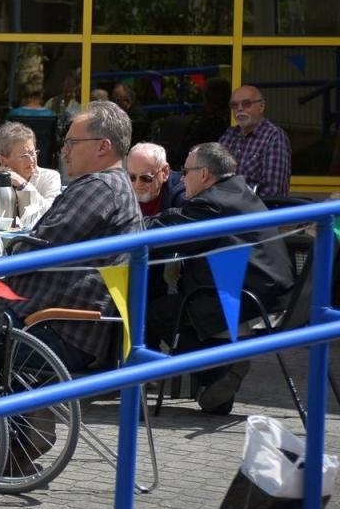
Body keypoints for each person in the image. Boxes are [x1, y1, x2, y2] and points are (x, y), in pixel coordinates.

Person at [145, 142, 294, 415]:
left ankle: (217, 372)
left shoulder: (213, 202)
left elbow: (170, 233)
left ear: (203, 174)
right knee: (180, 305)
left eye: (185, 171)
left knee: (156, 312)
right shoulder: (239, 192)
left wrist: (136, 223)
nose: (181, 177)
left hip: (246, 298)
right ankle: (219, 380)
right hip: (273, 293)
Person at [7, 101, 144, 374]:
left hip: (55, 332)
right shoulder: (110, 185)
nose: (64, 151)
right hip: (62, 326)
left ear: (102, 147)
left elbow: (34, 250)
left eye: (72, 142)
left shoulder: (100, 187)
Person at [0, 121, 62, 228]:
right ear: (3, 160)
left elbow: (51, 212)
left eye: (33, 153)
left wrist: (23, 185)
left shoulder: (49, 177)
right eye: (24, 156)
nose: (31, 160)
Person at [218, 84, 291, 198]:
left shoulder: (274, 136)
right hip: (223, 208)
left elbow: (272, 192)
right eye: (234, 105)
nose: (240, 109)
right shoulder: (228, 135)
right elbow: (212, 176)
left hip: (257, 212)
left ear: (261, 107)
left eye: (246, 104)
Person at [126, 141, 185, 217]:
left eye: (145, 178)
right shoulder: (119, 191)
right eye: (131, 177)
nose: (137, 184)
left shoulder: (183, 191)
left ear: (165, 172)